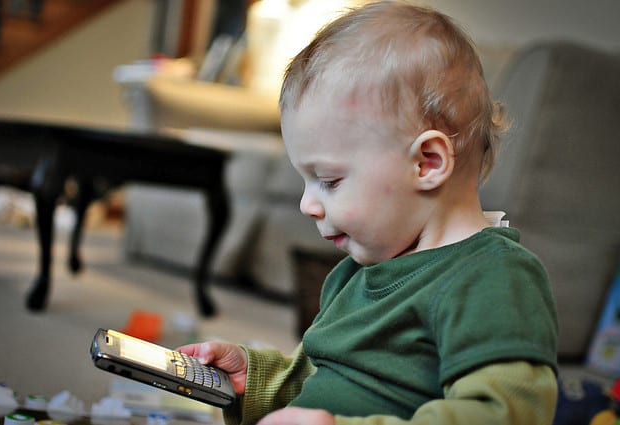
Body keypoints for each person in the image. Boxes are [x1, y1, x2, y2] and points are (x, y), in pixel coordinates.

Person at [178, 1, 559, 424]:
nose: (308, 204)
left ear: (427, 163)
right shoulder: (355, 275)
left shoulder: (491, 278)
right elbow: (327, 380)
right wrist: (258, 379)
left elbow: (505, 415)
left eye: (329, 180)